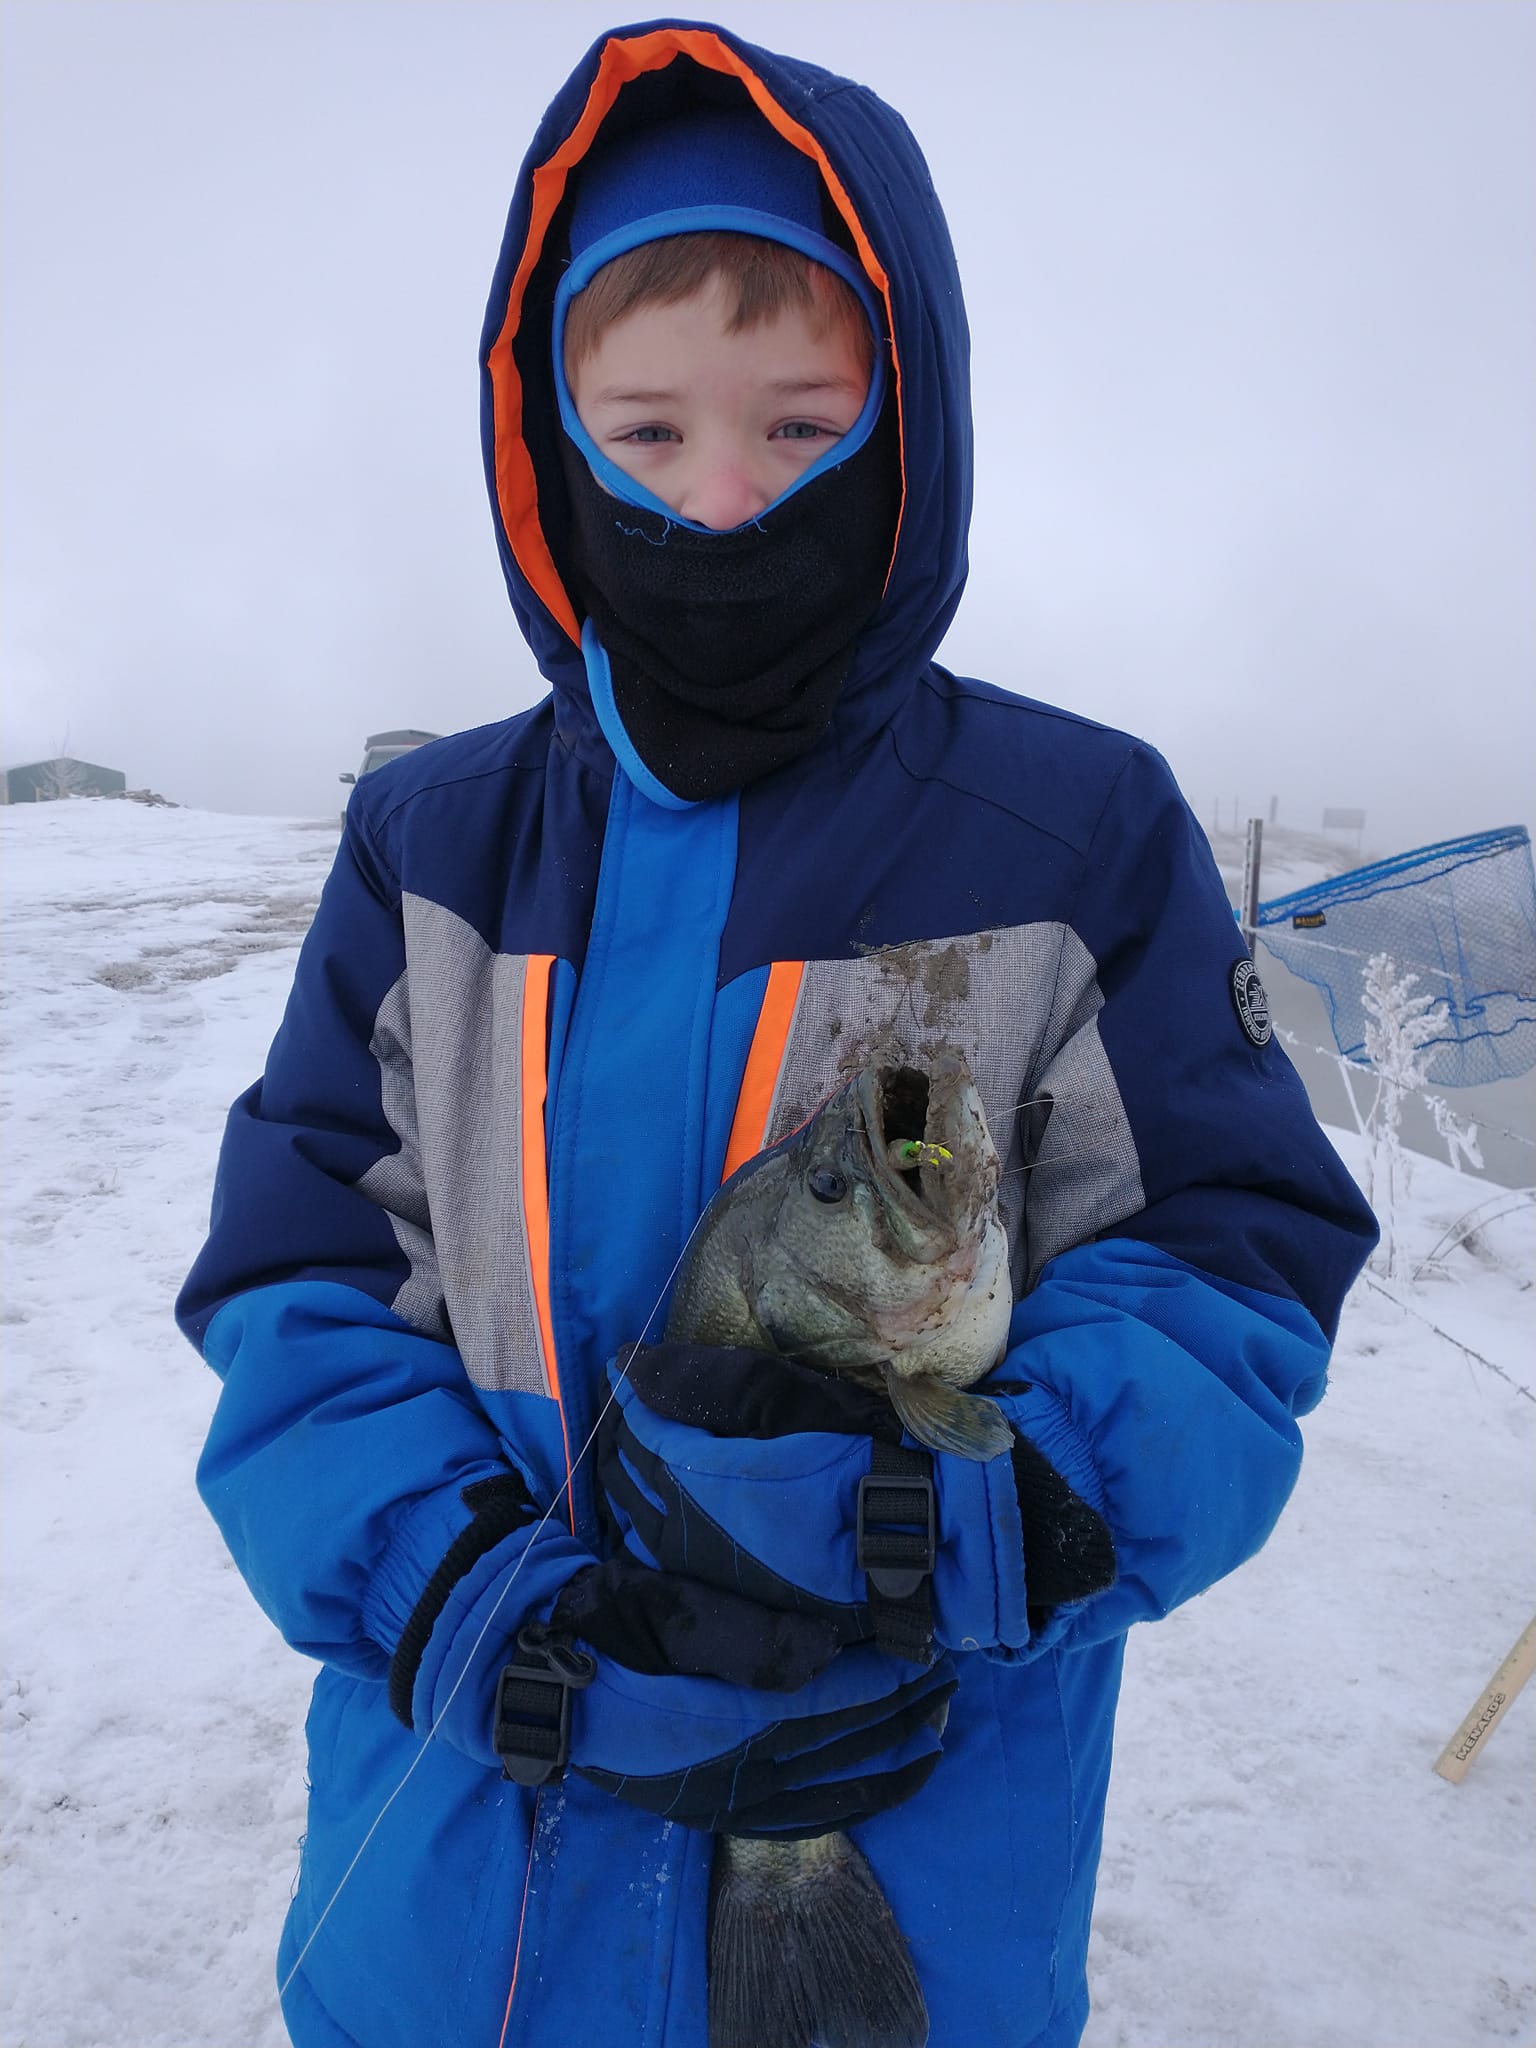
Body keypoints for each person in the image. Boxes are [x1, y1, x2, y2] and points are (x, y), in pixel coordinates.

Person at [177, 19, 1378, 2048]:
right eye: (643, 437)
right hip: (459, 1895)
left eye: (796, 425)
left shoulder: (1076, 836)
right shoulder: (426, 844)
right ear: (544, 441)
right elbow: (300, 1281)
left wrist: (998, 1502)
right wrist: (466, 1595)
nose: (719, 506)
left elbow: (1234, 1256)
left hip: (915, 1860)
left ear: (909, 426)